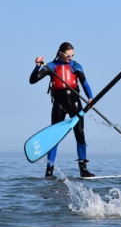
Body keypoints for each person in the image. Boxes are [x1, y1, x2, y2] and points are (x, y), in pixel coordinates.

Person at [29, 42, 95, 178]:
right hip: (59, 105)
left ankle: (83, 169)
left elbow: (85, 83)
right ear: (60, 54)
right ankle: (49, 170)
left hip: (75, 104)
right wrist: (37, 67)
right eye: (68, 55)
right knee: (54, 137)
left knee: (80, 135)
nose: (71, 57)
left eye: (73, 54)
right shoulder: (51, 67)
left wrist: (90, 98)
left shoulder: (76, 66)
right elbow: (32, 80)